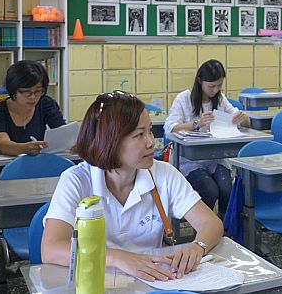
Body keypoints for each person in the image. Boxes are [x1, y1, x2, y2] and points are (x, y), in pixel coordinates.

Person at [41, 91, 223, 281]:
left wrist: (197, 246)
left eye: (150, 131)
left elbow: (211, 223)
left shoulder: (163, 174)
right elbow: (51, 249)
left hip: (150, 282)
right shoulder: (76, 180)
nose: (151, 142)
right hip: (94, 281)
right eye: (139, 134)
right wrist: (117, 258)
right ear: (110, 140)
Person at [164, 60, 250, 216]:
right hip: (189, 161)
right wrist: (197, 123)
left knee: (227, 190)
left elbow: (243, 121)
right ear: (199, 80)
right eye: (211, 86)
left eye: (219, 85)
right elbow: (170, 127)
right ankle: (202, 224)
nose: (215, 90)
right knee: (210, 191)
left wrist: (242, 118)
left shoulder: (220, 99)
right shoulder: (184, 98)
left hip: (215, 158)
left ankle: (226, 226)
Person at [0, 60, 64, 155]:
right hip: (4, 164)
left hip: (37, 162)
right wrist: (26, 148)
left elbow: (63, 132)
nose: (33, 97)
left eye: (38, 91)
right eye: (27, 92)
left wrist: (74, 143)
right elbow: (4, 145)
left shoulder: (46, 104)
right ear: (13, 90)